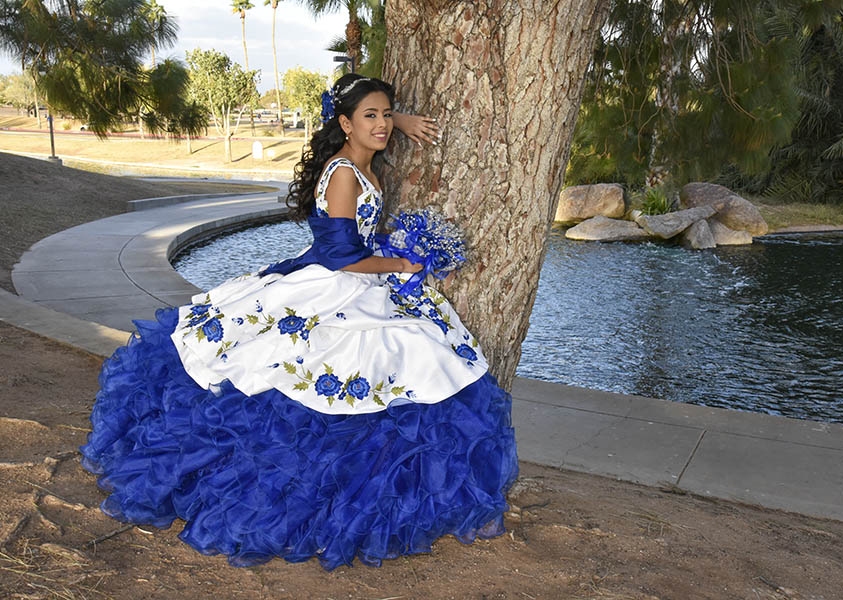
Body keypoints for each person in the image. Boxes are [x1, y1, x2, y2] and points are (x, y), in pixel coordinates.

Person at [80, 73, 519, 571]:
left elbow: (364, 140)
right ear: (344, 123)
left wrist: (399, 121)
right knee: (371, 361)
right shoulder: (345, 176)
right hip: (337, 279)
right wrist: (403, 264)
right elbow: (340, 258)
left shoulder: (358, 160)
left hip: (352, 272)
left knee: (407, 362)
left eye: (385, 114)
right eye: (370, 116)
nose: (380, 124)